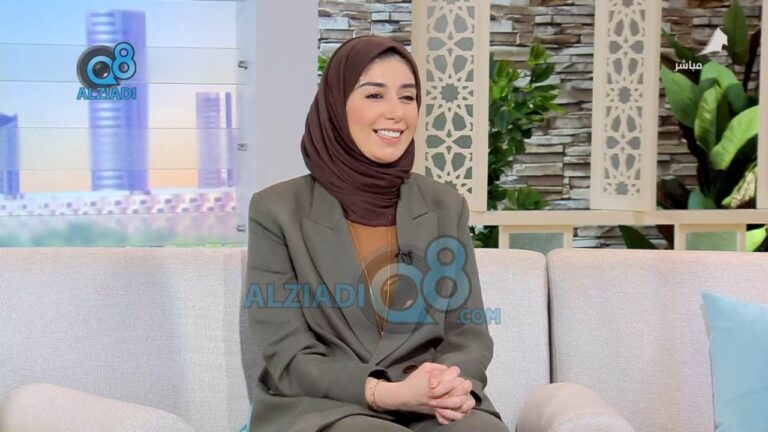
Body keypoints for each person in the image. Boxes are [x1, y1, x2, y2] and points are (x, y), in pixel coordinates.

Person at [240, 35, 509, 432]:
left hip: (428, 402)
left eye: (407, 97)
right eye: (374, 95)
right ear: (336, 105)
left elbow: (468, 332)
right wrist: (386, 394)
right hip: (325, 404)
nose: (396, 113)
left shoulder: (445, 205)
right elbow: (289, 353)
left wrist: (445, 385)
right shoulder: (277, 209)